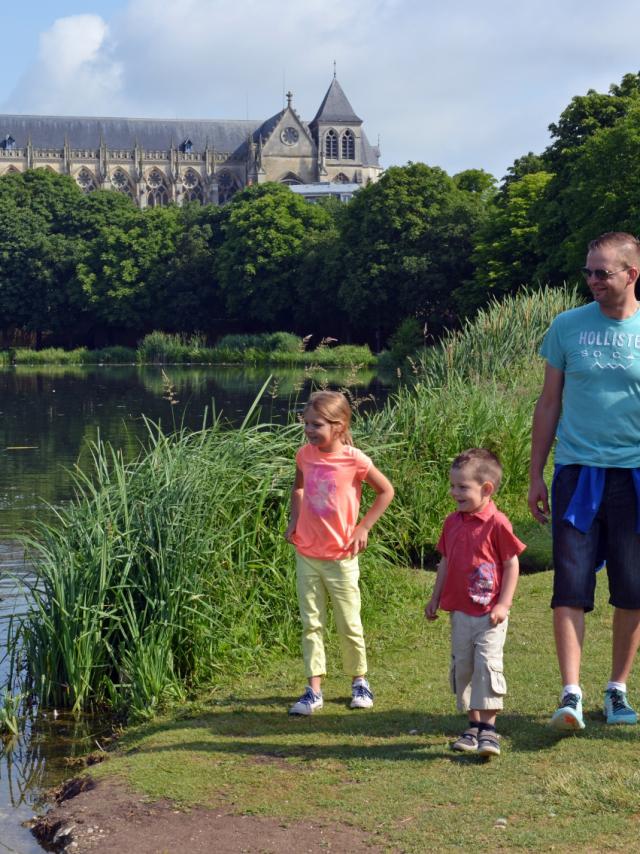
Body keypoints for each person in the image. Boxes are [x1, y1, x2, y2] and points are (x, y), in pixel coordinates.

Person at [529, 231, 640, 731]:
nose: (592, 280)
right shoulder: (567, 327)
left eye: (603, 272)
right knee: (570, 585)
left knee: (633, 589)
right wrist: (535, 472)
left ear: (631, 274)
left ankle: (616, 690)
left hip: (636, 476)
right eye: (588, 272)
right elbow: (549, 402)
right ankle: (570, 693)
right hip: (577, 473)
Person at [284, 390, 394, 715]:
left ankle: (360, 682)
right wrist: (294, 519)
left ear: (339, 424)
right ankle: (313, 690)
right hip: (307, 552)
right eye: (306, 424)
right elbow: (299, 488)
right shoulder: (304, 455)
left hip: (342, 556)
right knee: (311, 623)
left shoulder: (355, 459)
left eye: (316, 424)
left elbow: (386, 491)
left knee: (349, 623)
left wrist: (363, 527)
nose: (309, 430)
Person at [425, 449, 525, 756]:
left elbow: (511, 564)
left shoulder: (497, 523)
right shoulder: (451, 522)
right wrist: (435, 597)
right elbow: (444, 562)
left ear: (486, 489)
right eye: (453, 486)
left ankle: (489, 730)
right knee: (464, 666)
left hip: (489, 614)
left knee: (487, 666)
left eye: (462, 487)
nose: (455, 492)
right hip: (460, 612)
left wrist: (503, 605)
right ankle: (472, 726)